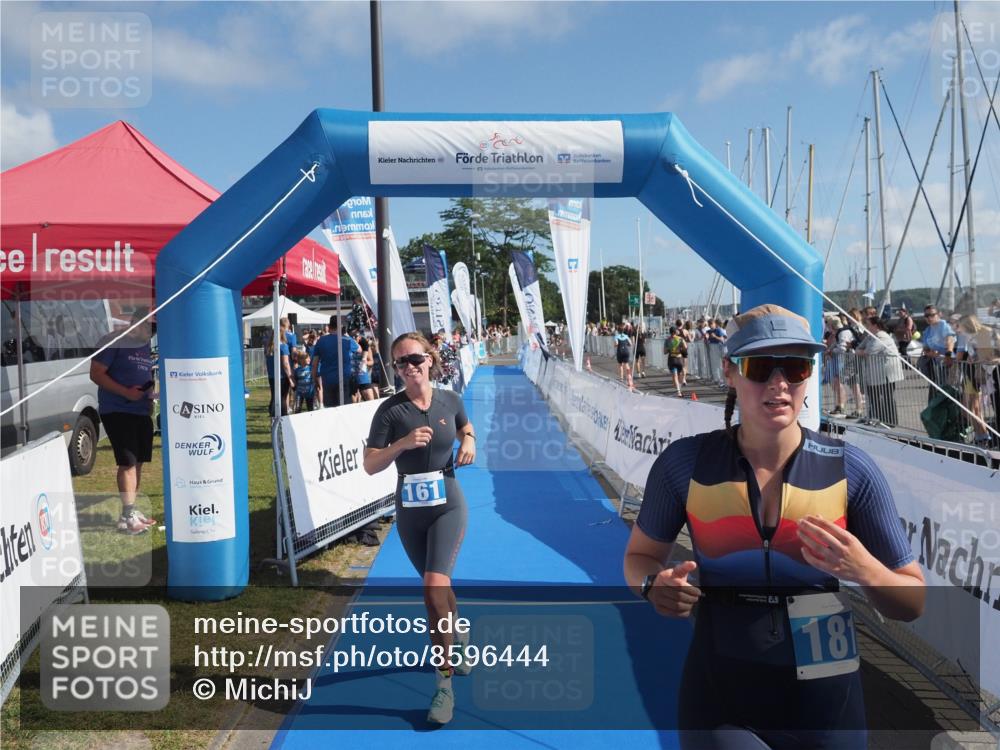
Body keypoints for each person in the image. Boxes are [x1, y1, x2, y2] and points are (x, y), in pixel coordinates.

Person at [624, 303, 924, 750]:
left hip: (827, 701)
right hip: (723, 695)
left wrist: (867, 571)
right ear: (729, 371)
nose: (779, 383)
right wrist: (652, 585)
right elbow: (637, 558)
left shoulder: (850, 469)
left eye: (797, 367)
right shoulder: (685, 464)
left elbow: (912, 600)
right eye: (762, 367)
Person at [363, 332, 476, 725]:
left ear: (430, 358)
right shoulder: (390, 412)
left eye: (414, 359)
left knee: (432, 588)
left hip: (448, 504)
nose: (409, 368)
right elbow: (371, 464)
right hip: (410, 509)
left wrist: (471, 440)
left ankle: (443, 686)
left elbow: (465, 425)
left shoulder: (450, 400)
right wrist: (403, 444)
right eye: (400, 363)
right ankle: (458, 632)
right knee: (438, 588)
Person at [90, 309, 158, 534]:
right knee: (128, 461)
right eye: (150, 327)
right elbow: (96, 373)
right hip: (118, 410)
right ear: (136, 323)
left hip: (140, 411)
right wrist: (125, 392)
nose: (152, 333)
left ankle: (129, 512)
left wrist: (148, 398)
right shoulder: (114, 341)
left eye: (154, 329)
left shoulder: (144, 346)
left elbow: (143, 376)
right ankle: (128, 515)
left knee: (138, 462)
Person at [856, 316, 902, 427]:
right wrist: (860, 351)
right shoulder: (870, 336)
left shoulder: (882, 336)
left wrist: (860, 352)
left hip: (887, 374)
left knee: (887, 397)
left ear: (875, 325)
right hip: (875, 374)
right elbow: (858, 348)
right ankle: (877, 418)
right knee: (874, 396)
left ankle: (891, 422)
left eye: (867, 324)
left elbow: (869, 351)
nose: (866, 326)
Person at [312, 316, 359, 408]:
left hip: (327, 379)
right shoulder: (347, 340)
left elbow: (315, 364)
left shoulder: (321, 341)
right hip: (344, 379)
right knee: (345, 408)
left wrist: (315, 380)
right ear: (341, 326)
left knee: (331, 409)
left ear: (329, 326)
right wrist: (346, 334)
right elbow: (359, 349)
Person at [918, 306, 956, 405]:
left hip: (947, 364)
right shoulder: (927, 330)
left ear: (939, 314)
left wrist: (948, 354)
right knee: (936, 391)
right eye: (926, 315)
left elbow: (950, 340)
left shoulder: (943, 325)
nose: (928, 318)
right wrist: (929, 352)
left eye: (931, 315)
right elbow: (925, 347)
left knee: (949, 391)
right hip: (935, 366)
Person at [265, 328, 294, 417]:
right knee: (283, 398)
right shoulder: (283, 346)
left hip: (272, 376)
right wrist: (290, 378)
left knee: (274, 397)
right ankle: (283, 417)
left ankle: (273, 417)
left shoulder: (268, 348)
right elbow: (285, 363)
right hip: (282, 376)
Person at [664, 326, 687, 397]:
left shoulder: (667, 340)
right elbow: (685, 347)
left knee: (674, 375)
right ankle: (679, 389)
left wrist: (670, 349)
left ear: (670, 332)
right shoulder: (680, 339)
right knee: (678, 375)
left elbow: (664, 352)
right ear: (675, 332)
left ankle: (678, 391)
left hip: (672, 359)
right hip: (679, 359)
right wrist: (680, 349)